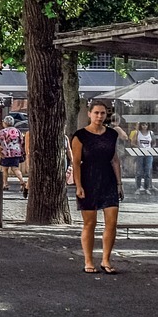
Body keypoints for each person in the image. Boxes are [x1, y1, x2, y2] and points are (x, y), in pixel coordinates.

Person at [72, 101, 123, 274]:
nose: (99, 116)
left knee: (112, 222)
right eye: (96, 113)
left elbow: (114, 159)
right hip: (88, 179)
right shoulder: (80, 136)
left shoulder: (111, 134)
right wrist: (78, 185)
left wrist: (119, 184)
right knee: (90, 223)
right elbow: (76, 163)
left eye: (102, 113)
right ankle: (88, 261)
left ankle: (106, 260)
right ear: (89, 114)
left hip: (108, 179)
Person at [0, 115, 29, 197]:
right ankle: (22, 181)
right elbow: (22, 141)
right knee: (15, 168)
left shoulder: (3, 132)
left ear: (5, 123)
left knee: (5, 168)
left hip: (6, 152)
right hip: (17, 152)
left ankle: (5, 184)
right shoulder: (17, 131)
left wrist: (0, 152)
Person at [133, 122, 154, 194]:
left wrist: (151, 149)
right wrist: (138, 148)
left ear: (148, 125)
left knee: (147, 171)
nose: (144, 126)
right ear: (140, 125)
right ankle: (138, 188)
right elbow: (132, 143)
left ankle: (146, 188)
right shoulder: (137, 133)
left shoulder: (151, 133)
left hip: (149, 154)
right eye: (143, 125)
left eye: (146, 125)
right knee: (139, 171)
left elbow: (154, 143)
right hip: (140, 154)